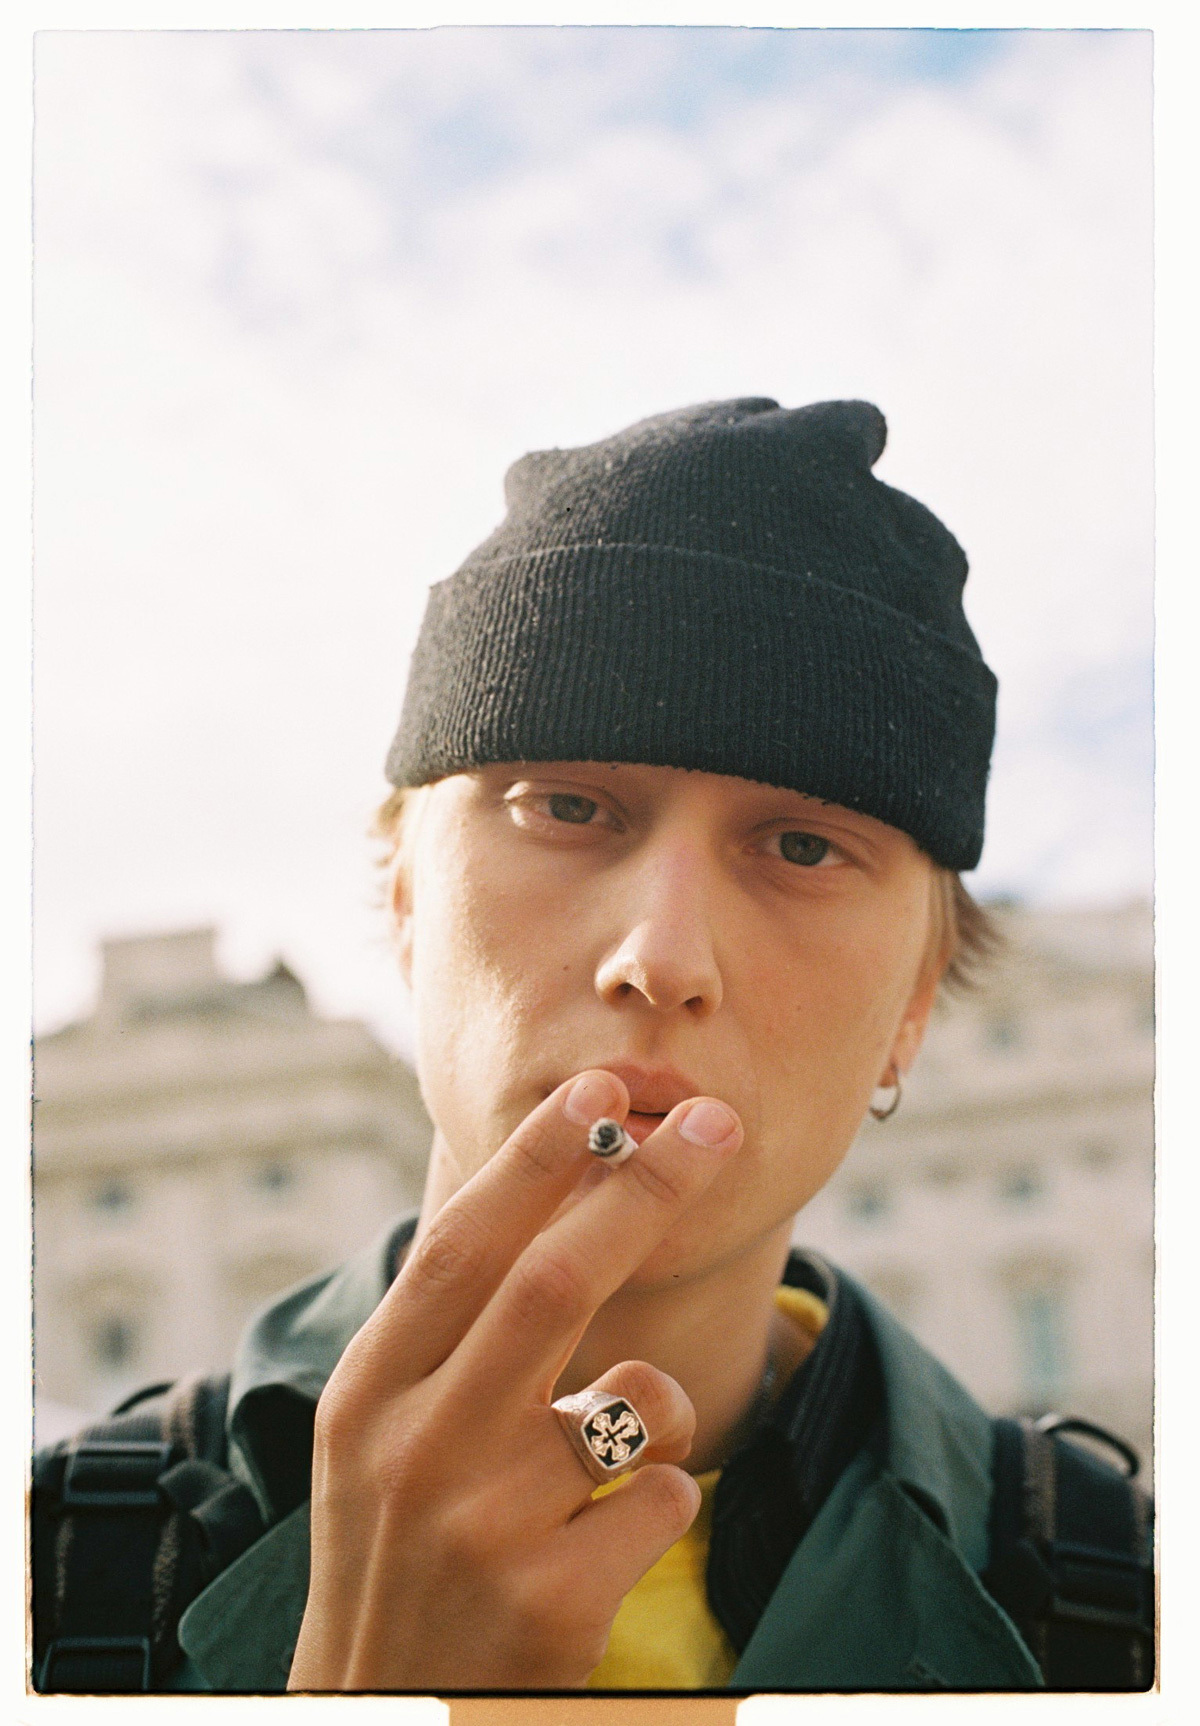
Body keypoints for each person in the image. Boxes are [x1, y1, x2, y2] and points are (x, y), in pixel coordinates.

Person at [33, 398, 1152, 1696]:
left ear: (915, 1006)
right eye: (565, 806)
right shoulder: (47, 1566)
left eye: (802, 846)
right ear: (404, 901)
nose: (662, 959)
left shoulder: (1139, 1612)